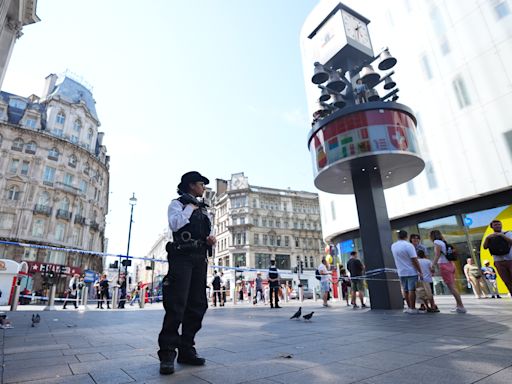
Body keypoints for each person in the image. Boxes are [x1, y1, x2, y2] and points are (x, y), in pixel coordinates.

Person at [158, 171, 216, 375]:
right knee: (176, 304)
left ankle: (187, 348)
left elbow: (208, 231)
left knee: (198, 303)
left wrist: (211, 239)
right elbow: (175, 224)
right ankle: (167, 353)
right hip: (182, 257)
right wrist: (190, 208)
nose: (204, 188)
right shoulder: (178, 204)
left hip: (200, 258)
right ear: (191, 185)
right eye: (201, 184)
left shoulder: (204, 209)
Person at [430, 230, 466, 313]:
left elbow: (437, 254)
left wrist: (433, 265)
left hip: (444, 265)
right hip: (450, 264)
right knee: (453, 286)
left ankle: (461, 306)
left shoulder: (437, 242)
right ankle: (458, 305)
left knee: (452, 287)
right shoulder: (444, 242)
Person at [391, 230, 423, 314]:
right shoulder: (409, 246)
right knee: (411, 290)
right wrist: (420, 271)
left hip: (401, 271)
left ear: (398, 236)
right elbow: (414, 259)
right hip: (411, 271)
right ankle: (413, 308)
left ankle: (409, 307)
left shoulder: (393, 246)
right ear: (407, 236)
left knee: (405, 290)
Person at [482, 220, 512, 295]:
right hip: (498, 261)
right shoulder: (489, 236)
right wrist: (487, 238)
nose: (498, 226)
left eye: (499, 224)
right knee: (506, 281)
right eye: (495, 225)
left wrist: (502, 236)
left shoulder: (508, 233)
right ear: (492, 227)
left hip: (510, 259)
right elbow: (485, 247)